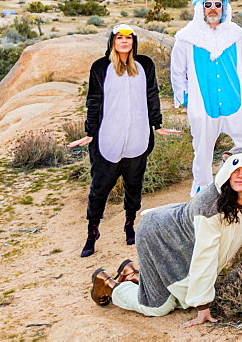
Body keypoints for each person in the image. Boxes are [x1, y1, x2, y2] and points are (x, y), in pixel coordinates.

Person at [88, 147, 242, 328]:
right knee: (159, 306)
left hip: (183, 239)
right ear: (226, 172)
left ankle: (132, 275)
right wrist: (203, 306)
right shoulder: (210, 204)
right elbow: (205, 254)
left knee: (181, 297)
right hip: (158, 233)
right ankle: (108, 285)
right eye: (235, 170)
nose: (241, 176)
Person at [72, 24, 179, 257]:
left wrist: (157, 124)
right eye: (119, 37)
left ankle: (129, 226)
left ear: (134, 42)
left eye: (128, 38)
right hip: (108, 139)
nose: (124, 42)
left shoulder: (145, 65)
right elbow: (93, 100)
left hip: (138, 138)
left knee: (134, 186)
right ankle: (93, 232)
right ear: (112, 41)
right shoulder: (101, 67)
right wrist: (90, 132)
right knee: (99, 189)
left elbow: (152, 94)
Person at [169, 0, 242, 199]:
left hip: (236, 100)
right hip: (204, 104)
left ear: (224, 8)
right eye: (208, 5)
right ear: (201, 8)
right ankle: (203, 196)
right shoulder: (187, 37)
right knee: (203, 151)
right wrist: (185, 97)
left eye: (217, 5)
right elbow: (177, 70)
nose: (213, 9)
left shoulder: (234, 34)